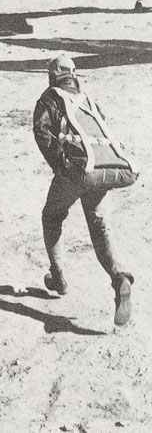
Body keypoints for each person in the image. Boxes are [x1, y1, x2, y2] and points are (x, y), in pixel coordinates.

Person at [33, 54, 135, 325]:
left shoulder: (49, 98)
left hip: (75, 171)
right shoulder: (87, 100)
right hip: (101, 171)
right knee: (99, 225)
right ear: (74, 75)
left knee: (51, 217)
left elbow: (42, 132)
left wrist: (62, 167)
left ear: (52, 75)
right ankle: (119, 277)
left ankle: (58, 277)